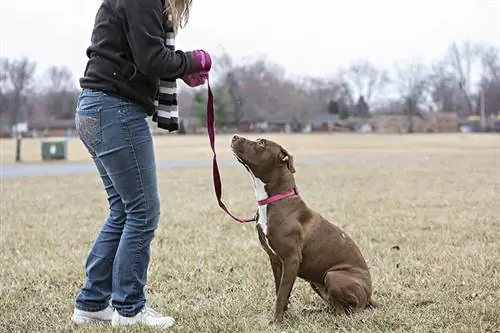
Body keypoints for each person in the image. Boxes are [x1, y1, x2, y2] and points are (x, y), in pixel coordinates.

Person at [70, 0, 211, 328]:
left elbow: (140, 54)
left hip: (95, 108)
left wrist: (181, 67)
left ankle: (92, 302)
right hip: (114, 110)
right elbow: (152, 59)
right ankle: (129, 307)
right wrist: (194, 60)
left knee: (123, 209)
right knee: (143, 211)